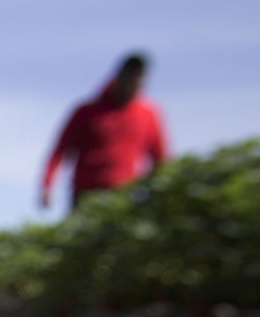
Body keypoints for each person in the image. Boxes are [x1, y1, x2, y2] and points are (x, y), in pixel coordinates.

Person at [41, 53, 168, 211]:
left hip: (126, 194)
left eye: (137, 80)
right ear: (119, 77)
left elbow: (160, 159)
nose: (131, 85)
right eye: (129, 78)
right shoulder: (86, 111)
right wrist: (47, 185)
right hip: (85, 193)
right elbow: (60, 150)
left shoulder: (149, 114)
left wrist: (162, 194)